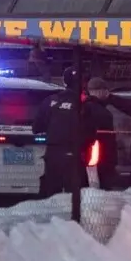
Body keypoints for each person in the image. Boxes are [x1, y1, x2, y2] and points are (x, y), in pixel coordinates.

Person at [32, 67, 93, 198]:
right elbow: (91, 132)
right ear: (82, 83)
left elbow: (37, 128)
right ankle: (73, 218)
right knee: (77, 196)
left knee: (51, 194)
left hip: (53, 154)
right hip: (75, 154)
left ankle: (52, 217)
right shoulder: (84, 104)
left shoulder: (50, 101)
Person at [84, 77, 121, 189]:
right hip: (101, 162)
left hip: (83, 161)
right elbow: (108, 143)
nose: (108, 94)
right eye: (106, 91)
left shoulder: (81, 109)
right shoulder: (104, 113)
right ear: (100, 91)